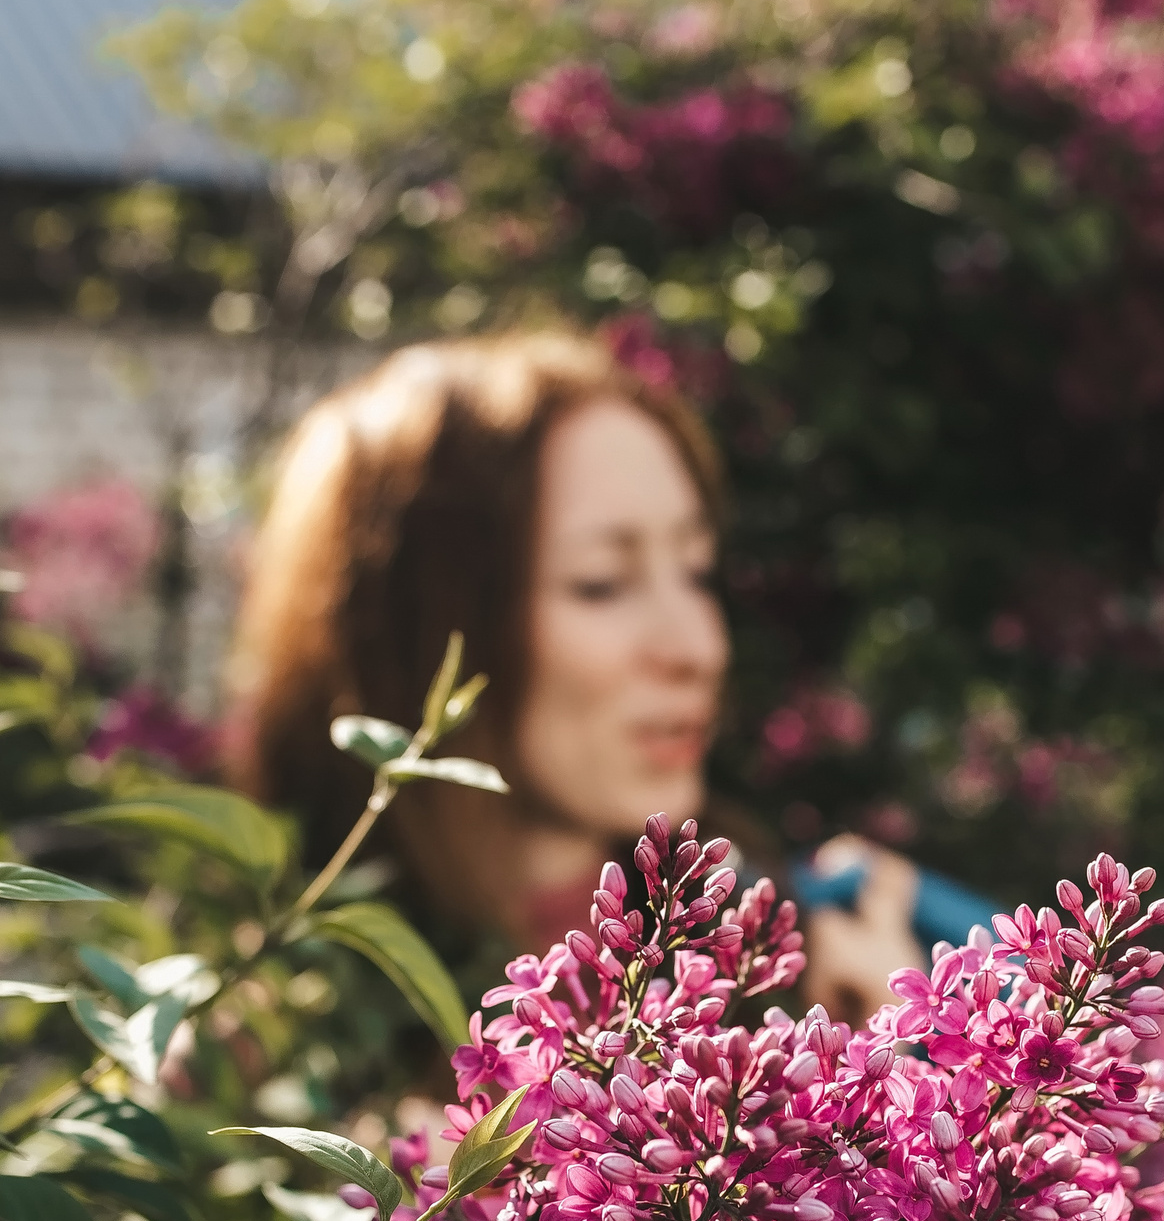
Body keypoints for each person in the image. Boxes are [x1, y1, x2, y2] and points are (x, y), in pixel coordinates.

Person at [230, 332, 923, 1022]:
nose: (700, 648)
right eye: (601, 583)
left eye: (697, 571)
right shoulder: (258, 1043)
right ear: (418, 630)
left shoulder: (789, 969)